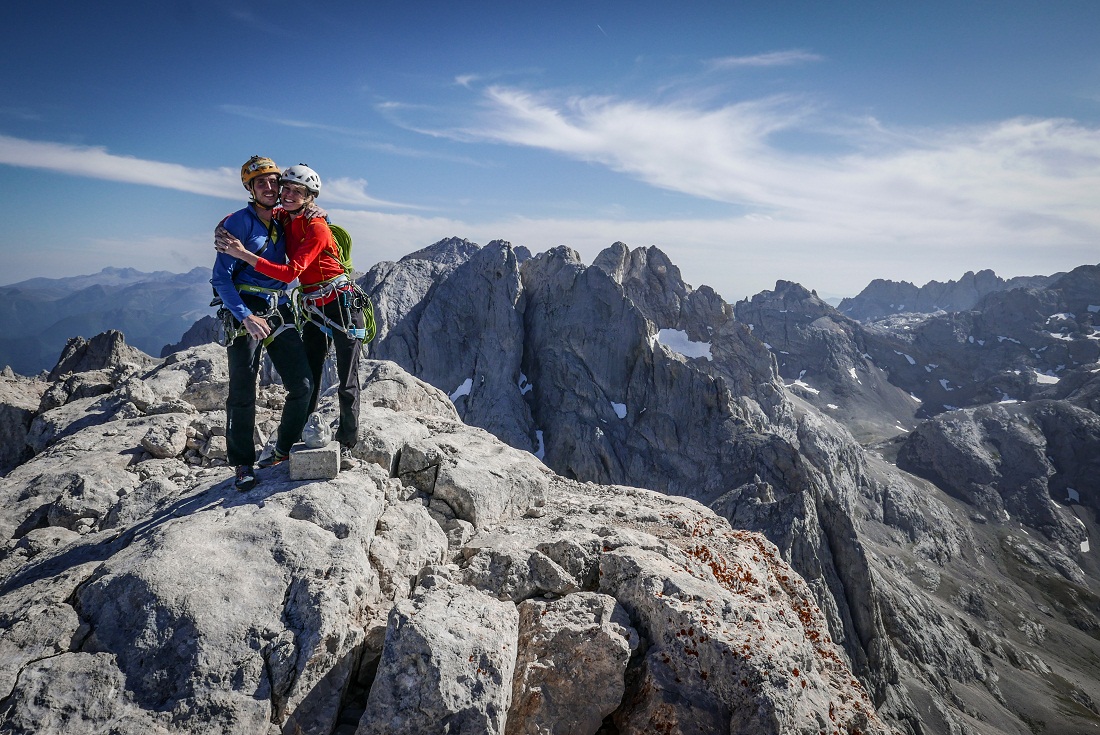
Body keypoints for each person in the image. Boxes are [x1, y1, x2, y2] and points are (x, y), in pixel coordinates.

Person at [215, 164, 365, 461]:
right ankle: (292, 442)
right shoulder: (284, 216)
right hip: (311, 305)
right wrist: (222, 228)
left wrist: (243, 253)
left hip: (340, 303)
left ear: (310, 197)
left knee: (345, 380)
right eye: (286, 188)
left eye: (298, 191)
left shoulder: (317, 225)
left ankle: (347, 442)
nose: (287, 194)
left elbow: (288, 274)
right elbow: (247, 219)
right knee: (310, 376)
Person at [211, 156, 314, 492]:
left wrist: (318, 214)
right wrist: (245, 316)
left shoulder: (283, 217)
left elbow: (309, 216)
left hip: (279, 305)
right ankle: (242, 464)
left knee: (302, 384)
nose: (270, 188)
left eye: (274, 182)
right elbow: (220, 278)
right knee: (242, 390)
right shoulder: (237, 223)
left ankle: (282, 450)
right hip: (247, 307)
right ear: (250, 189)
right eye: (261, 183)